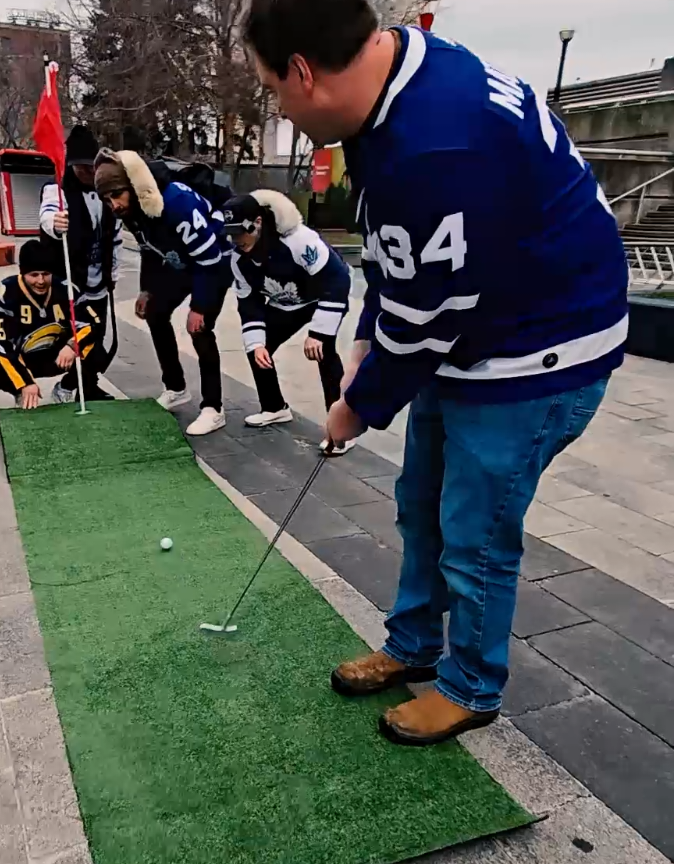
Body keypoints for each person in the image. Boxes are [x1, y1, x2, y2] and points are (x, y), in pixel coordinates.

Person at [243, 0, 628, 746]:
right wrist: (364, 340)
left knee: (475, 532)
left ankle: (470, 685)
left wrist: (356, 406)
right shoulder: (397, 80)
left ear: (301, 71)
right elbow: (397, 254)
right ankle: (412, 642)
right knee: (421, 500)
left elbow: (430, 310)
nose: (278, 108)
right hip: (476, 327)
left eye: (271, 90)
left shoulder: (436, 144)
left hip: (540, 349)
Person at [94, 150, 233, 436]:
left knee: (200, 329)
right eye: (106, 199)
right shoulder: (132, 209)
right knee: (155, 313)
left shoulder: (175, 202)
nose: (113, 205)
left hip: (215, 259)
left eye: (116, 195)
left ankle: (213, 408)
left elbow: (209, 259)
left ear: (133, 185)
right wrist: (147, 289)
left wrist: (200, 306)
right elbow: (149, 249)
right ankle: (176, 388)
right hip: (181, 260)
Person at [223, 189, 353, 449]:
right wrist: (257, 342)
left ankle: (341, 429)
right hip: (284, 303)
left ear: (258, 223)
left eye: (241, 232)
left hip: (320, 299)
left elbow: (337, 279)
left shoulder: (298, 240)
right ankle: (275, 407)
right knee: (257, 349)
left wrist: (318, 332)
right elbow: (248, 303)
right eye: (231, 234)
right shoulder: (238, 258)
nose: (237, 239)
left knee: (324, 352)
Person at [39, 124, 122, 403]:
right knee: (80, 338)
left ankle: (89, 385)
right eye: (80, 168)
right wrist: (55, 223)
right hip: (71, 283)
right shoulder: (57, 192)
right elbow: (47, 216)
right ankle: (66, 385)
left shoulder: (106, 192)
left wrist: (114, 271)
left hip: (100, 282)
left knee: (98, 339)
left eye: (91, 167)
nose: (87, 173)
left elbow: (116, 236)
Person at [0, 239, 108, 409]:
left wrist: (72, 344)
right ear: (22, 273)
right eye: (34, 275)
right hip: (24, 356)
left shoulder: (66, 288)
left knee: (97, 352)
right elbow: (2, 344)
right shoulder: (6, 293)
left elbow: (94, 324)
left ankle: (65, 387)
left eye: (45, 273)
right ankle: (20, 391)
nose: (41, 280)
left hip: (58, 354)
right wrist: (24, 382)